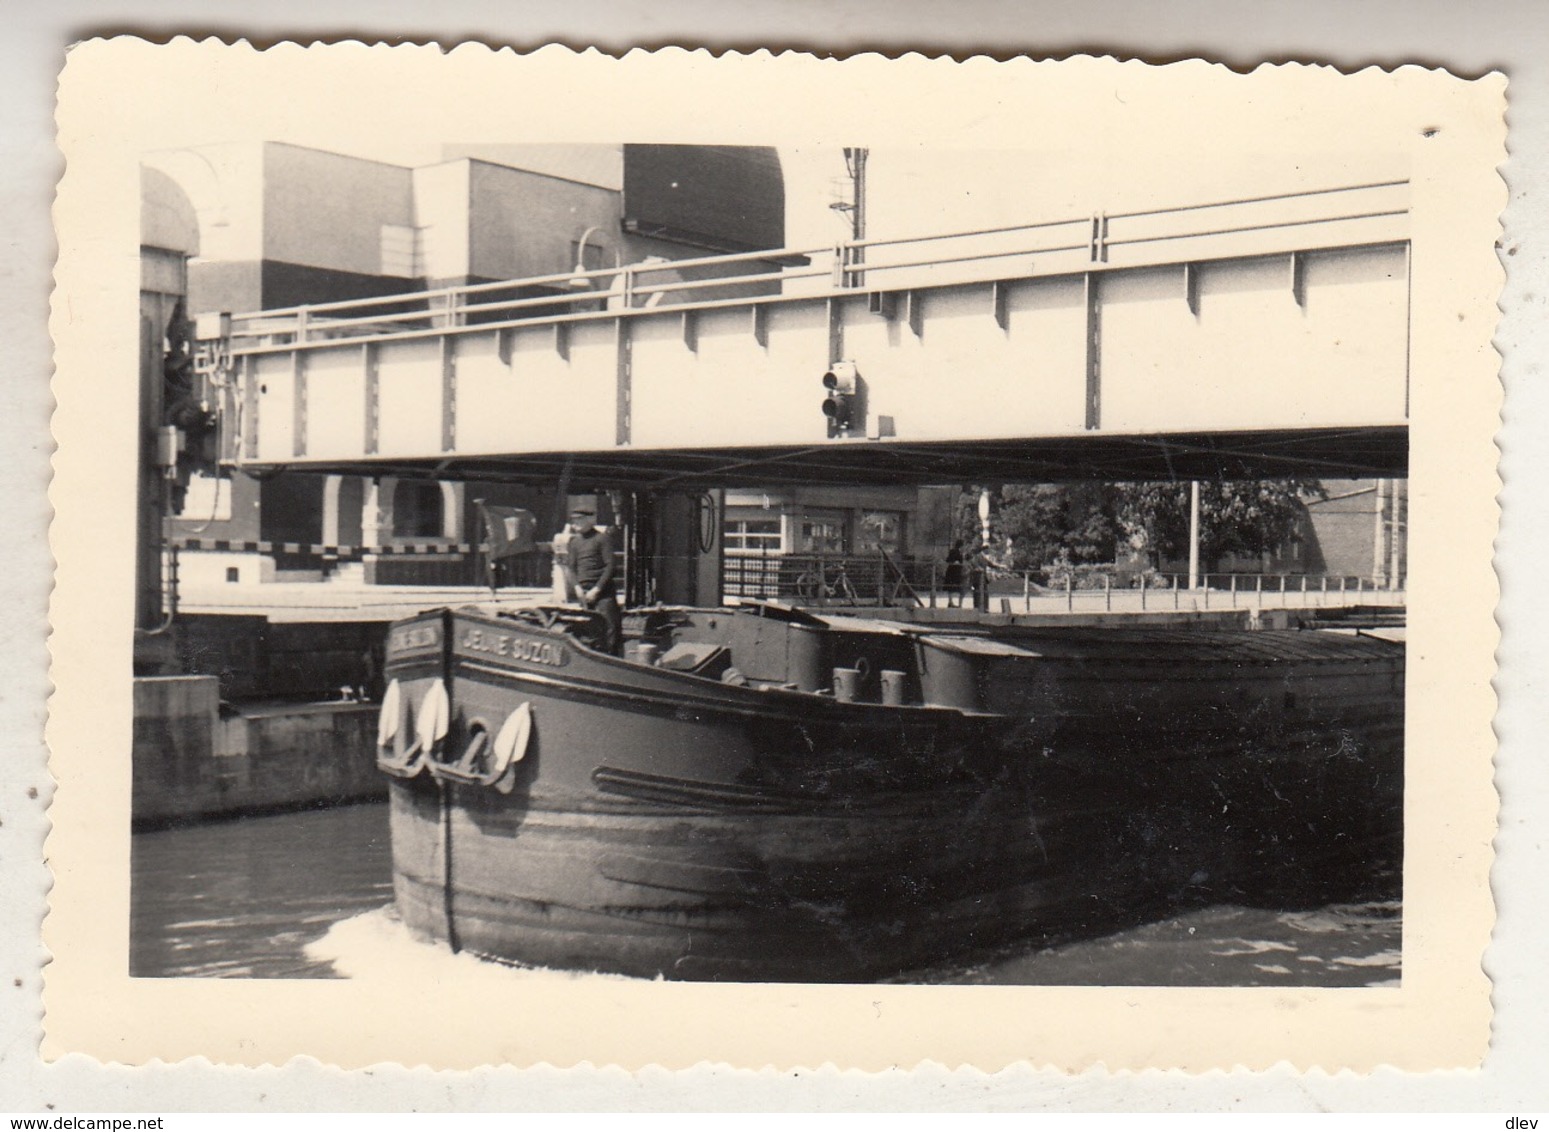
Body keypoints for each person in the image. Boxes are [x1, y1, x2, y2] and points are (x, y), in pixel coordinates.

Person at [565, 506, 621, 655]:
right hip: (583, 594)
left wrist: (597, 589)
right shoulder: (574, 542)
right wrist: (577, 588)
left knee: (610, 630)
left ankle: (612, 662)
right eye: (573, 520)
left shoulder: (602, 539)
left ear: (590, 520)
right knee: (588, 632)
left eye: (579, 520)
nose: (574, 523)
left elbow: (611, 566)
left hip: (604, 593)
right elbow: (570, 568)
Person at [943, 539, 965, 608]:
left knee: (955, 587)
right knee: (951, 587)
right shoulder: (954, 551)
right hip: (952, 572)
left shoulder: (961, 552)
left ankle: (954, 602)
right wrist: (954, 561)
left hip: (957, 572)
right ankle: (950, 602)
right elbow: (948, 560)